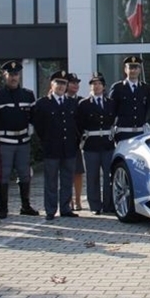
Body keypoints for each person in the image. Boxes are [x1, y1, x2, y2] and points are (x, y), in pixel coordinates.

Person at [0, 60, 39, 218]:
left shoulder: (28, 95)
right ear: (4, 75)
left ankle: (25, 206)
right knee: (2, 176)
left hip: (23, 141)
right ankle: (3, 208)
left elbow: (34, 117)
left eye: (16, 74)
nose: (13, 77)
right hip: (4, 142)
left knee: (25, 174)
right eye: (10, 74)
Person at [34, 70, 79, 220]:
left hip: (69, 148)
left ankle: (65, 208)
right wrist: (46, 141)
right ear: (51, 84)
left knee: (67, 180)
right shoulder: (42, 103)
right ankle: (50, 210)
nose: (61, 86)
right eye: (58, 83)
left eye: (64, 83)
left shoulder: (72, 103)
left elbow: (77, 125)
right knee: (51, 181)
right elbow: (39, 126)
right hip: (51, 148)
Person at [77, 72, 116, 215]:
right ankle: (94, 205)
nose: (96, 86)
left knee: (109, 176)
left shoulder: (111, 103)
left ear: (104, 87)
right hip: (91, 145)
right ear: (90, 87)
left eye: (99, 83)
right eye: (93, 84)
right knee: (92, 177)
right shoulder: (84, 104)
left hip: (107, 144)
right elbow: (79, 125)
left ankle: (108, 204)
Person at [110, 56, 150, 143]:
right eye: (131, 68)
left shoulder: (145, 88)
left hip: (140, 132)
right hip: (123, 132)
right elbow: (112, 109)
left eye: (136, 68)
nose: (133, 71)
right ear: (125, 69)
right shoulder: (117, 87)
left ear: (140, 70)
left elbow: (148, 108)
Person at [65, 72, 85, 212]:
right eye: (72, 82)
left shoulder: (82, 101)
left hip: (77, 141)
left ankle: (78, 200)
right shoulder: (61, 100)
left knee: (78, 172)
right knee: (66, 172)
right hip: (63, 141)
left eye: (77, 83)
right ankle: (68, 200)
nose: (75, 85)